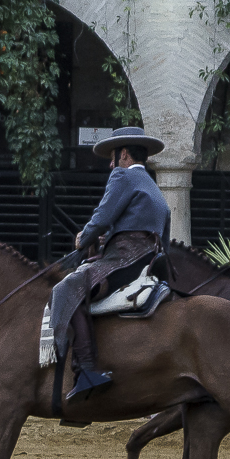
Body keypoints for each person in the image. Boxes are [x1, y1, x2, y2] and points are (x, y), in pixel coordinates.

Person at [48, 126, 170, 403]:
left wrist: (84, 239)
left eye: (113, 157)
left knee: (68, 287)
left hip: (124, 259)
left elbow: (101, 216)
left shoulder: (123, 176)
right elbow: (156, 230)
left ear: (124, 153)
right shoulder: (152, 185)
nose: (111, 163)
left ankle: (87, 371)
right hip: (149, 259)